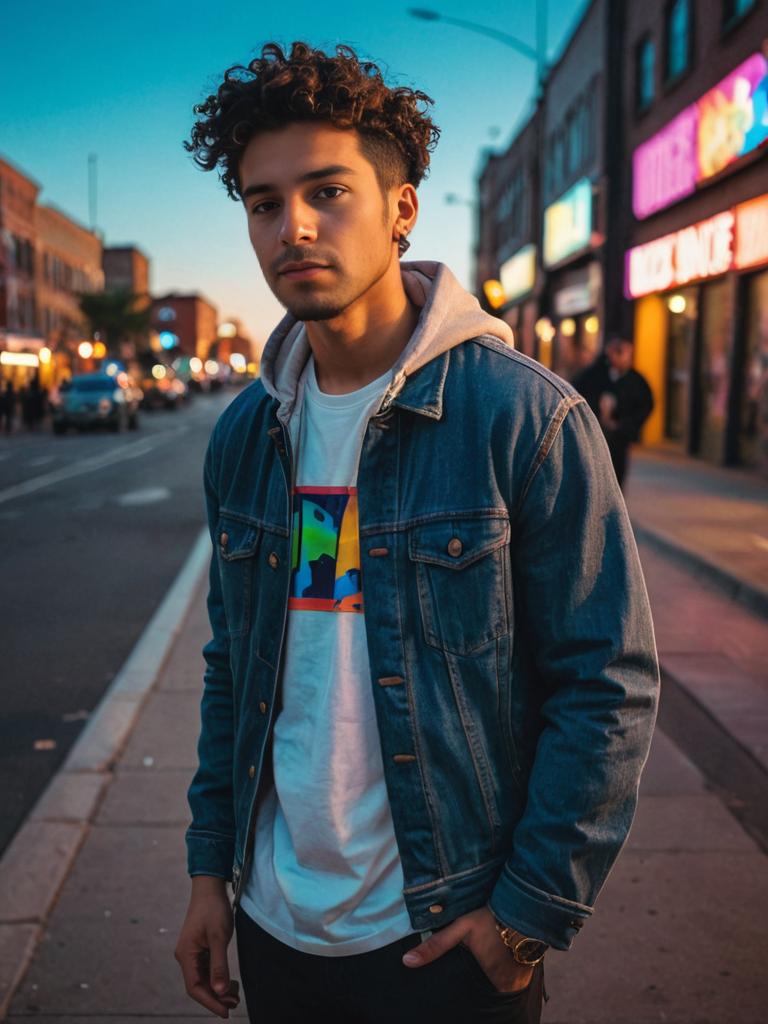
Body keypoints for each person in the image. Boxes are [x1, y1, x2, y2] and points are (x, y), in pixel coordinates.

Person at [175, 42, 659, 1024]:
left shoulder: (523, 418)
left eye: (328, 191)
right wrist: (207, 874)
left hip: (448, 938)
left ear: (401, 209)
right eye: (264, 203)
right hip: (275, 930)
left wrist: (528, 912)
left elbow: (607, 680)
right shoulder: (245, 437)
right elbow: (237, 667)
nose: (293, 227)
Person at [573, 336, 654, 489]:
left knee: (617, 473)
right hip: (594, 432)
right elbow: (577, 392)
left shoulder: (636, 380)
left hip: (619, 435)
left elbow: (645, 405)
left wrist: (624, 425)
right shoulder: (594, 374)